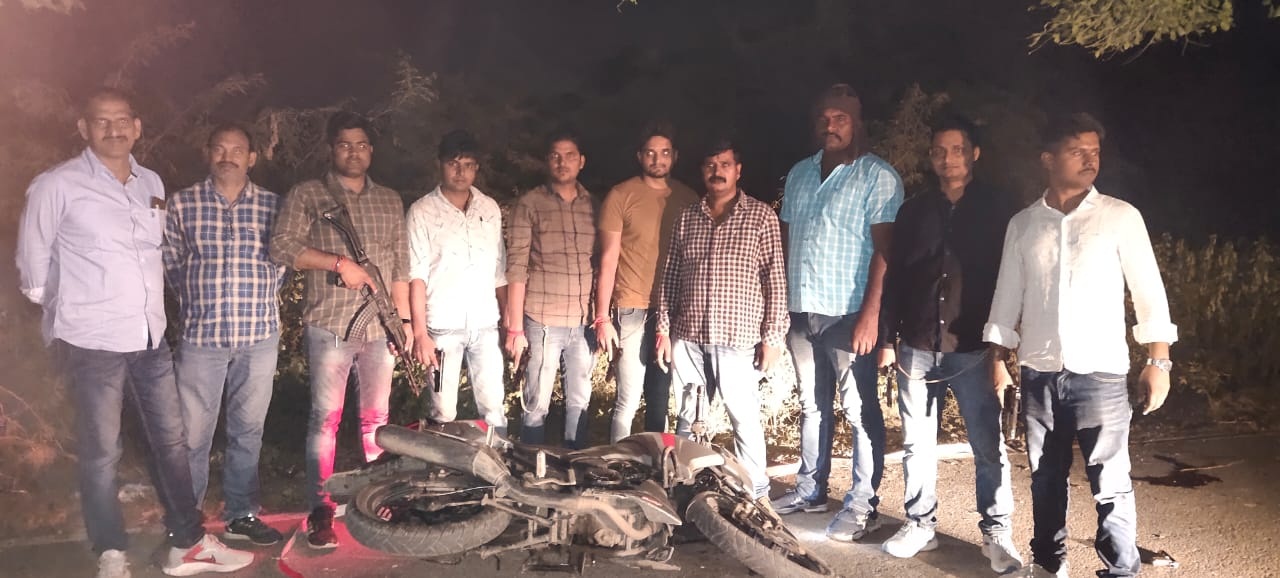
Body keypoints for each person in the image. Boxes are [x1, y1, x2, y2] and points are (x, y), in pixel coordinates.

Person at [16, 88, 253, 577]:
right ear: (84, 128)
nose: (114, 129)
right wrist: (75, 309)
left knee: (172, 443)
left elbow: (152, 252)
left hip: (149, 337)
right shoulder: (57, 185)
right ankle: (111, 551)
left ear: (137, 126)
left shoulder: (151, 182)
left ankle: (186, 543)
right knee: (102, 452)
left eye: (122, 120)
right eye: (102, 121)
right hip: (92, 341)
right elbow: (33, 269)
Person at [984, 113, 1177, 578]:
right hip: (1040, 371)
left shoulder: (1120, 216)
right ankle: (1048, 563)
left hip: (1101, 373)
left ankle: (1121, 570)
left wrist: (1159, 361)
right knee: (1045, 478)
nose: (1091, 160)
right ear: (1048, 159)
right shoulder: (1024, 224)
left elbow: (1148, 291)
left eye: (1095, 151)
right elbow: (1007, 295)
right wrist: (998, 358)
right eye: (1078, 151)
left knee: (1110, 482)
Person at [876, 115, 1022, 572]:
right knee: (917, 443)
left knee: (987, 443)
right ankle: (921, 524)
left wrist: (1002, 350)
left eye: (958, 150)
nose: (948, 159)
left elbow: (1012, 280)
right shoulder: (914, 210)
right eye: (939, 151)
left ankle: (996, 532)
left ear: (974, 153)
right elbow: (896, 277)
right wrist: (887, 339)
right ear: (931, 156)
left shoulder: (1001, 210)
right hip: (917, 344)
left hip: (974, 347)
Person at [269, 111, 412, 549]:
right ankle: (321, 508)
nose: (354, 152)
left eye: (361, 144)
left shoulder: (389, 200)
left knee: (377, 420)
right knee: (325, 420)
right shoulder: (309, 194)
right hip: (331, 322)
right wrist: (337, 263)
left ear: (372, 150)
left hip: (379, 327)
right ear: (332, 149)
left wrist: (403, 323)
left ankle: (376, 498)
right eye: (345, 144)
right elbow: (282, 246)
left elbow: (400, 266)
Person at [770, 83, 904, 543]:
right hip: (802, 308)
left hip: (848, 313)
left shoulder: (877, 176)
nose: (831, 126)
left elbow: (886, 252)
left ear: (856, 122)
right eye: (825, 118)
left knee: (859, 409)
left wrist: (872, 315)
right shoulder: (800, 173)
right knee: (812, 404)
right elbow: (786, 241)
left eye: (841, 118)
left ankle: (863, 504)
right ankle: (811, 489)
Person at [163, 123, 286, 547]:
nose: (228, 157)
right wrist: (197, 299)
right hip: (202, 337)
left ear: (252, 157)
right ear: (208, 152)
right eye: (220, 149)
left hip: (258, 335)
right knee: (192, 437)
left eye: (237, 150)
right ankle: (187, 520)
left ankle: (241, 513)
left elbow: (282, 264)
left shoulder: (273, 205)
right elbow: (172, 261)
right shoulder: (182, 204)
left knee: (247, 431)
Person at [655, 139, 788, 500]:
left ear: (738, 170)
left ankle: (755, 495)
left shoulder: (760, 216)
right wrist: (664, 329)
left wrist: (773, 337)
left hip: (738, 338)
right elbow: (670, 277)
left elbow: (775, 279)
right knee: (688, 417)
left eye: (725, 164)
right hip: (689, 335)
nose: (718, 172)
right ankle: (685, 492)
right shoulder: (687, 218)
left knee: (743, 417)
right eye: (711, 165)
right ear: (703, 171)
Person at [594, 121, 698, 441]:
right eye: (651, 153)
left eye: (664, 153)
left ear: (675, 156)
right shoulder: (621, 195)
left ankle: (657, 462)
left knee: (660, 397)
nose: (657, 159)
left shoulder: (687, 198)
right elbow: (608, 259)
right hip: (632, 307)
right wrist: (602, 317)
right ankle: (617, 462)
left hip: (674, 310)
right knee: (627, 398)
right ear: (640, 156)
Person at [405, 130, 508, 432]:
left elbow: (499, 270)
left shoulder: (488, 208)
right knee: (443, 408)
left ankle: (498, 458)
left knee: (494, 405)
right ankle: (441, 457)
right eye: (453, 163)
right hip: (442, 327)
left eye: (468, 165)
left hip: (485, 323)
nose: (461, 172)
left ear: (477, 168)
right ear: (440, 164)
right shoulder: (422, 211)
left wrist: (509, 323)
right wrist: (420, 333)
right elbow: (416, 275)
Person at [504, 130, 597, 448]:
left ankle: (575, 467)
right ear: (547, 161)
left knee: (579, 402)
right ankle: (530, 465)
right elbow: (516, 266)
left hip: (583, 322)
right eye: (556, 155)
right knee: (536, 402)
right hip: (542, 320)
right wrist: (515, 328)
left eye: (570, 155)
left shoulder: (594, 205)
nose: (562, 162)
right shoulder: (530, 204)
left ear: (581, 161)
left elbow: (600, 263)